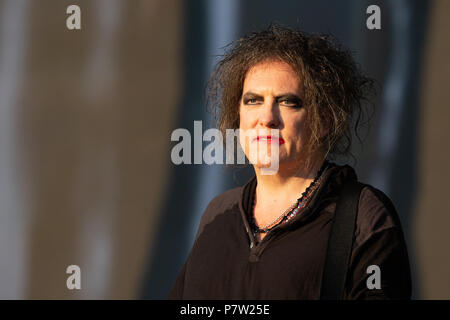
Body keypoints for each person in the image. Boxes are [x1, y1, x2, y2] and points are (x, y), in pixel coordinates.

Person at [169, 24, 411, 299]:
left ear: (325, 120)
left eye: (288, 102)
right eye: (253, 101)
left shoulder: (362, 216)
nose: (267, 118)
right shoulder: (217, 215)